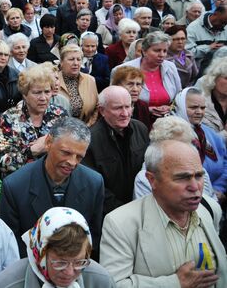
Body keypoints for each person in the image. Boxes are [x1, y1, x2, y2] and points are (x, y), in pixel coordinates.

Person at [100, 140, 227, 287]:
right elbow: (113, 285)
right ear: (152, 180)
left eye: (198, 176)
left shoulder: (210, 209)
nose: (195, 187)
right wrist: (175, 283)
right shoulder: (121, 223)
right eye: (182, 177)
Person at [0, 117, 104, 257]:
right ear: (48, 142)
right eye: (66, 153)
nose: (72, 162)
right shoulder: (15, 186)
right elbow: (12, 246)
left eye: (79, 157)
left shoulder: (94, 183)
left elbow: (93, 239)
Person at [0, 207, 115, 288]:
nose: (69, 272)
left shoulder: (102, 282)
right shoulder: (8, 284)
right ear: (41, 254)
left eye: (79, 262)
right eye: (60, 263)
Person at [82, 86, 150, 215]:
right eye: (118, 108)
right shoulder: (90, 140)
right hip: (109, 214)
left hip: (142, 207)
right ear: (102, 110)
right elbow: (94, 186)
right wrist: (123, 211)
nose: (125, 113)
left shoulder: (141, 129)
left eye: (128, 106)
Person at [0, 65, 68, 176]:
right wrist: (33, 150)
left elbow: (68, 151)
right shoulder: (9, 118)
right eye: (37, 93)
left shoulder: (60, 114)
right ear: (24, 94)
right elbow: (4, 163)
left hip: (54, 178)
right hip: (21, 180)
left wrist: (51, 144)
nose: (43, 98)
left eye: (47, 91)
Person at [172, 87, 227, 203]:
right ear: (180, 106)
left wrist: (219, 188)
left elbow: (224, 161)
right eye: (193, 107)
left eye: (202, 108)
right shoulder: (170, 133)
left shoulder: (208, 132)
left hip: (215, 197)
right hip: (185, 198)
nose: (199, 112)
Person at [113, 31, 182, 120]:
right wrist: (146, 110)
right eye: (157, 50)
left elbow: (179, 96)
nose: (162, 55)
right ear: (144, 51)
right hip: (134, 119)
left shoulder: (170, 67)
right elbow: (114, 101)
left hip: (167, 119)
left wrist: (170, 108)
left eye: (165, 51)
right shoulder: (123, 70)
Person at [58, 44, 99, 126]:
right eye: (71, 59)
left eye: (79, 59)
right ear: (61, 62)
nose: (76, 63)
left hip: (86, 128)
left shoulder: (90, 80)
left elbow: (96, 108)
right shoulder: (53, 80)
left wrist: (89, 125)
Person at [111, 65, 153, 130]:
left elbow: (146, 132)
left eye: (138, 84)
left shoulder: (143, 106)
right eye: (130, 84)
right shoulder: (109, 105)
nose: (135, 89)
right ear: (118, 85)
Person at [198, 57, 227, 139]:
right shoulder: (199, 104)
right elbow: (204, 142)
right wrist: (225, 133)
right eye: (226, 78)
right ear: (214, 78)